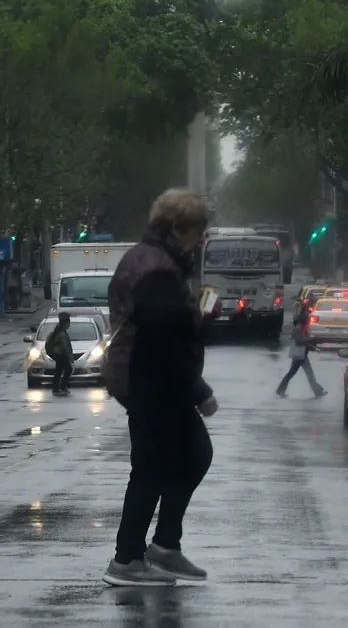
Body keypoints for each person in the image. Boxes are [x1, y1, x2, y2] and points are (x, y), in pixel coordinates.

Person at [102, 188, 217, 588]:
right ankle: (128, 558)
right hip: (149, 379)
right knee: (153, 467)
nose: (200, 240)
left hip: (146, 377)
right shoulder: (158, 270)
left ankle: (164, 545)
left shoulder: (153, 260)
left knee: (191, 453)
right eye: (197, 231)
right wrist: (198, 390)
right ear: (176, 228)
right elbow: (161, 339)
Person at [276, 313, 327, 398]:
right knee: (293, 373)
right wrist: (310, 338)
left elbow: (304, 344)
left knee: (308, 373)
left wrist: (313, 348)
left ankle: (317, 391)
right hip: (299, 356)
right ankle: (280, 390)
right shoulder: (297, 330)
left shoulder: (300, 330)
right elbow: (299, 342)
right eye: (306, 324)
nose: (307, 326)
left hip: (302, 355)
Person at [45, 312, 74, 396]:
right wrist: (70, 358)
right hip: (61, 355)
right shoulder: (62, 333)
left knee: (58, 371)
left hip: (57, 354)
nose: (69, 325)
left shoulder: (58, 329)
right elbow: (66, 347)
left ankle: (57, 388)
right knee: (68, 369)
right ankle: (61, 387)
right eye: (68, 323)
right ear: (65, 324)